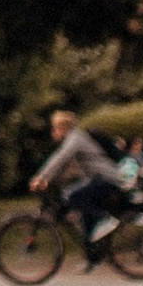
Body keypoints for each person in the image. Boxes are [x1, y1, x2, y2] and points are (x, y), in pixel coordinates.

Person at [32, 105, 124, 260]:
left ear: (63, 127)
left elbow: (61, 157)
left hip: (107, 179)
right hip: (100, 179)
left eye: (55, 127)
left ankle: (105, 219)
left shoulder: (75, 138)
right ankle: (93, 257)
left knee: (73, 196)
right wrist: (50, 179)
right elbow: (65, 164)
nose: (54, 131)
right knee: (85, 216)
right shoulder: (74, 138)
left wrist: (41, 177)